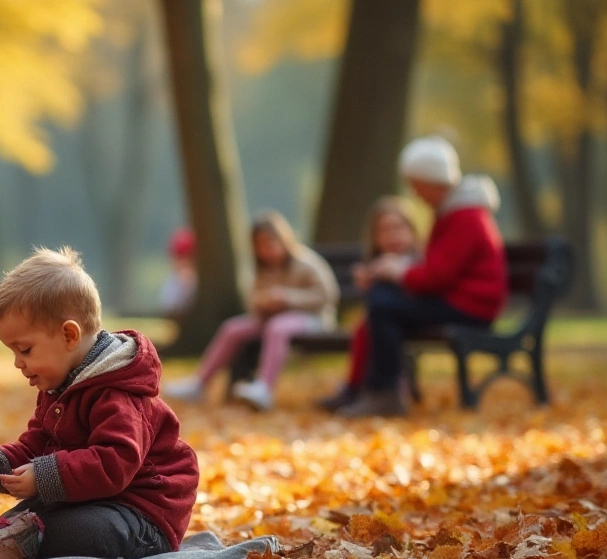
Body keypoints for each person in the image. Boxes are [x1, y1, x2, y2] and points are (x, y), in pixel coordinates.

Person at [0, 247, 199, 559]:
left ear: (69, 335)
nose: (18, 363)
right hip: (91, 499)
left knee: (77, 531)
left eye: (25, 349)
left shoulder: (119, 393)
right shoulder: (60, 387)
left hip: (141, 515)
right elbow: (36, 445)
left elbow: (115, 463)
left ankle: (6, 546)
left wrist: (43, 476)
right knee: (27, 513)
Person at [339, 136, 506, 418]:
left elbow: (436, 277)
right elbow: (437, 271)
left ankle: (386, 393)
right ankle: (377, 390)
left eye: (416, 185)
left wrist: (397, 271)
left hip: (471, 306)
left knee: (383, 304)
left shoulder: (466, 216)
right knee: (382, 302)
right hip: (459, 300)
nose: (415, 194)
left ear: (430, 181)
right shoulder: (455, 212)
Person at [164, 211, 339, 411]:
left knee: (278, 327)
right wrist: (263, 304)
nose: (268, 249)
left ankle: (264, 387)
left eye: (272, 242)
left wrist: (288, 298)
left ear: (284, 239)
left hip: (313, 319)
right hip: (272, 318)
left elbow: (327, 295)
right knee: (232, 328)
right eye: (262, 245)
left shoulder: (306, 262)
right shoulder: (261, 269)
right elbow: (253, 299)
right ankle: (199, 383)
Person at [316, 197, 421, 412]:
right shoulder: (377, 262)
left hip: (412, 316)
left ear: (412, 230)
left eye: (398, 228)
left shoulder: (417, 260)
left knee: (372, 328)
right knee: (363, 330)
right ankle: (356, 388)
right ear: (375, 236)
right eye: (385, 230)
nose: (393, 235)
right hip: (388, 319)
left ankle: (381, 390)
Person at [158, 227, 198, 317]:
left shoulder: (198, 281)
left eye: (187, 258)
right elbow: (168, 307)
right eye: (179, 257)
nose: (183, 262)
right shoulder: (172, 280)